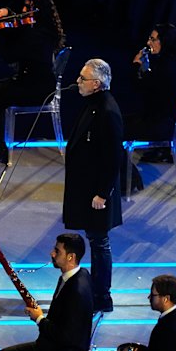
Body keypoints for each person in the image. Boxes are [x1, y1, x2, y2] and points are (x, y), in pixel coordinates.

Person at [63, 59, 123, 313]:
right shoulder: (93, 105)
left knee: (100, 243)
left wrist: (102, 193)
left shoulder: (107, 111)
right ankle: (95, 293)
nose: (78, 82)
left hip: (98, 193)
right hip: (86, 187)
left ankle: (102, 296)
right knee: (95, 239)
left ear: (96, 84)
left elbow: (113, 156)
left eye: (82, 79)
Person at [0, 0, 66, 164]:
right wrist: (0, 24)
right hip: (31, 81)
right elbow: (15, 36)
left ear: (37, 8)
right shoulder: (40, 29)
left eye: (27, 6)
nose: (23, 10)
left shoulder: (38, 34)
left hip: (38, 88)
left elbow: (10, 55)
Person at [124, 23, 176, 172]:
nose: (148, 43)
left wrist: (136, 66)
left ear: (163, 41)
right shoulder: (171, 62)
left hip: (159, 125)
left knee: (111, 125)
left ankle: (120, 176)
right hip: (162, 120)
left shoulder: (166, 67)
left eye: (153, 39)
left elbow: (141, 89)